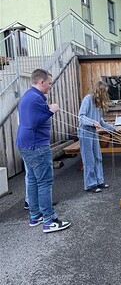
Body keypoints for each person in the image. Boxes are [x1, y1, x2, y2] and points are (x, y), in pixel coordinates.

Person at [16, 69, 71, 233]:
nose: (50, 86)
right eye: (49, 83)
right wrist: (50, 110)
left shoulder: (28, 96)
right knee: (45, 182)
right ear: (41, 82)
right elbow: (33, 122)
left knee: (33, 180)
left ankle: (35, 215)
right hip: (36, 146)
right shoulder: (34, 98)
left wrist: (46, 109)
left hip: (26, 144)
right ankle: (49, 220)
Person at [78, 80, 115, 192]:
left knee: (98, 157)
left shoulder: (98, 103)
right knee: (89, 159)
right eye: (104, 92)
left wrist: (113, 128)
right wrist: (92, 122)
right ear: (100, 91)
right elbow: (81, 117)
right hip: (85, 132)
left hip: (94, 132)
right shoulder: (87, 100)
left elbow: (100, 121)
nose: (106, 95)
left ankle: (99, 181)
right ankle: (90, 184)